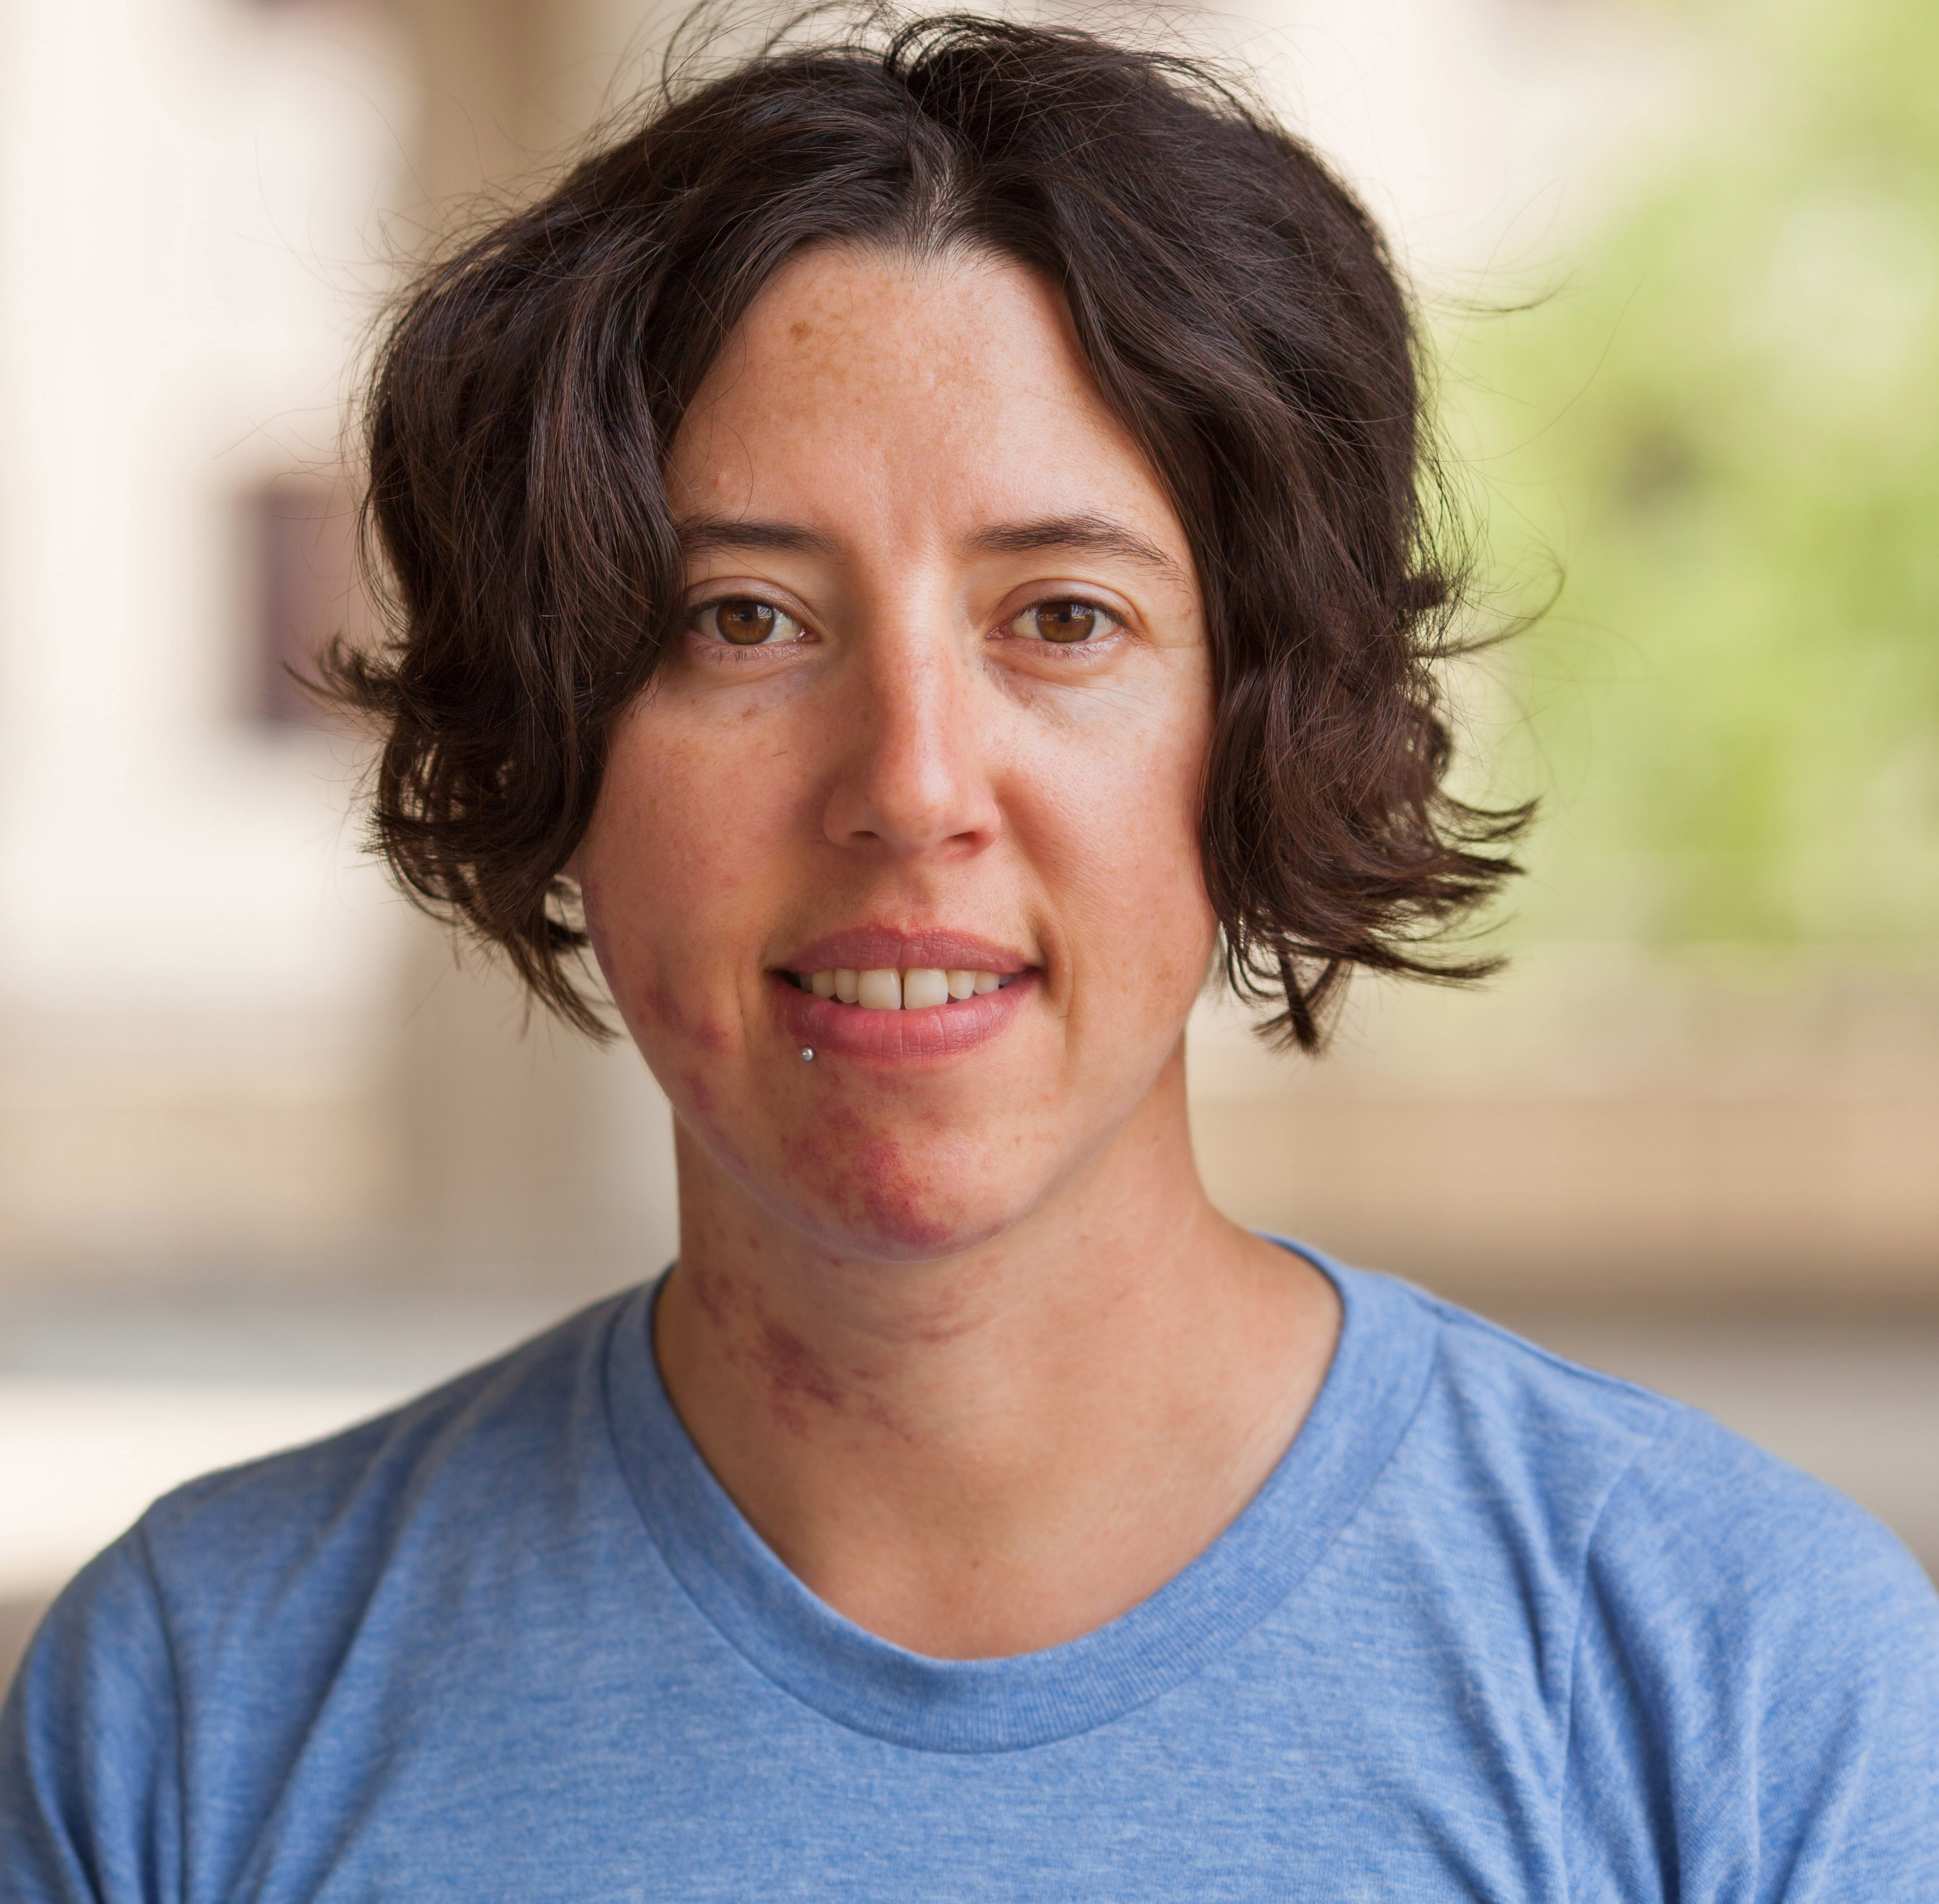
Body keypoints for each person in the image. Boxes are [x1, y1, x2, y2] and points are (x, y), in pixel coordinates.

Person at [4, 15, 1935, 1899]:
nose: (912, 786)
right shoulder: (207, 1700)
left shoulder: (1739, 1677)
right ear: (559, 738)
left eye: (1064, 616)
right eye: (744, 620)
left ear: (1257, 726)